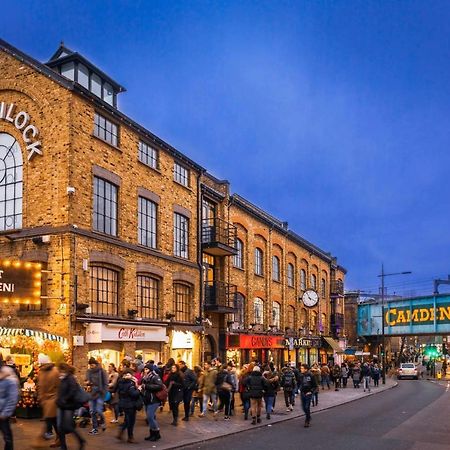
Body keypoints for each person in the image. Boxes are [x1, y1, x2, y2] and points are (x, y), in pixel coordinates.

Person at [56, 363, 86, 450]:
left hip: (69, 406)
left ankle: (81, 440)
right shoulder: (64, 378)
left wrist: (64, 398)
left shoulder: (70, 378)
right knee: (60, 427)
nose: (59, 372)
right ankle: (63, 446)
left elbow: (72, 391)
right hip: (63, 405)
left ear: (64, 370)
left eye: (60, 370)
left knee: (67, 426)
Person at [37, 354, 60, 447]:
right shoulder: (54, 371)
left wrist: (42, 398)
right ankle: (59, 439)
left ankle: (41, 441)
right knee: (53, 422)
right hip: (51, 401)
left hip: (50, 401)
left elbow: (41, 387)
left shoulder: (42, 372)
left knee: (51, 422)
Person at [116, 368, 140, 443]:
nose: (132, 376)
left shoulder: (120, 382)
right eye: (130, 374)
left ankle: (121, 431)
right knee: (131, 421)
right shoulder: (129, 383)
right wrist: (139, 389)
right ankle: (130, 437)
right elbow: (134, 394)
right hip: (130, 404)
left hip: (123, 403)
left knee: (127, 419)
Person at [85, 357, 108, 435]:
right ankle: (95, 428)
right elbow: (87, 381)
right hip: (91, 394)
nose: (91, 366)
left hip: (99, 393)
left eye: (92, 365)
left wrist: (104, 393)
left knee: (98, 410)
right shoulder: (89, 371)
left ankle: (102, 421)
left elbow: (105, 383)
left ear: (95, 364)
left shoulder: (102, 371)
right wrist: (87, 383)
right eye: (90, 365)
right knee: (92, 412)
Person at [141, 363, 163, 442]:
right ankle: (152, 434)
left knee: (150, 417)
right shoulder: (145, 377)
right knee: (150, 418)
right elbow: (142, 385)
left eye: (147, 369)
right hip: (147, 399)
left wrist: (146, 386)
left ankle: (157, 433)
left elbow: (159, 386)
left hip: (154, 400)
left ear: (150, 370)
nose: (145, 370)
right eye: (145, 369)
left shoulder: (155, 376)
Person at [0, 359, 19, 450]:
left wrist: (5, 413)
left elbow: (12, 398)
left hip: (2, 414)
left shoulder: (10, 379)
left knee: (7, 438)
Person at [299, 363, 317, 428]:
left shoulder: (311, 375)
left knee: (307, 407)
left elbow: (315, 386)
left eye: (302, 368)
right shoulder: (301, 376)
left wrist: (311, 391)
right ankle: (308, 416)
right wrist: (299, 389)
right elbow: (299, 383)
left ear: (306, 369)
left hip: (308, 393)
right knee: (303, 407)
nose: (301, 369)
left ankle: (307, 420)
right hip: (302, 393)